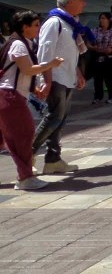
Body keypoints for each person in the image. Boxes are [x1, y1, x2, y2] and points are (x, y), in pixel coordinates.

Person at [0, 11, 65, 191]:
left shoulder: (21, 43)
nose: (39, 28)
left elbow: (20, 73)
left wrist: (34, 89)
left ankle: (26, 176)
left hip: (10, 95)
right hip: (9, 97)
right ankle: (26, 178)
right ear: (24, 27)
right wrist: (51, 64)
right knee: (23, 135)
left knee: (10, 137)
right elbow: (28, 69)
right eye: (36, 25)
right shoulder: (19, 45)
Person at [33, 0, 88, 175]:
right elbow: (44, 52)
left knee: (60, 119)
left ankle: (53, 159)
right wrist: (46, 79)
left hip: (67, 77)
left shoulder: (71, 24)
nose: (84, 4)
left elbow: (70, 52)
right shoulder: (54, 22)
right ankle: (28, 153)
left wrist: (77, 73)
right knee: (54, 117)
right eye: (81, 0)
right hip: (55, 77)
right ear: (70, 2)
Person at [88, 12, 112, 104]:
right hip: (97, 55)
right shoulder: (95, 30)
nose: (101, 20)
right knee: (97, 78)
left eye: (103, 18)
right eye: (100, 18)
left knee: (108, 77)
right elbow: (88, 43)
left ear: (108, 20)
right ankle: (98, 96)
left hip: (109, 56)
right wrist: (93, 47)